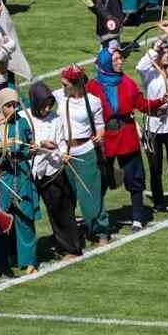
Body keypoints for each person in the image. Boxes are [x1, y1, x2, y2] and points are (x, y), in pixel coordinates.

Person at [87, 42, 160, 231]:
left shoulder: (127, 83)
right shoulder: (93, 87)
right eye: (116, 59)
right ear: (105, 63)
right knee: (101, 179)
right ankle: (96, 219)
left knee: (134, 177)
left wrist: (161, 101)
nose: (121, 62)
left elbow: (142, 105)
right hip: (104, 138)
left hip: (126, 135)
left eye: (121, 58)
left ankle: (137, 217)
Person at [0, 86, 39, 275]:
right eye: (8, 105)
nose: (12, 109)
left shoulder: (21, 123)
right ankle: (0, 261)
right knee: (0, 219)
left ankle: (28, 260)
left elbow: (29, 146)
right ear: (0, 106)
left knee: (25, 217)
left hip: (21, 174)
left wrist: (32, 149)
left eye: (14, 105)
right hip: (1, 176)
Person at [23, 84, 82, 259]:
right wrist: (41, 144)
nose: (47, 109)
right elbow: (24, 142)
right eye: (43, 106)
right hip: (30, 172)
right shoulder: (23, 118)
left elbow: (62, 142)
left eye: (49, 105)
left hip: (53, 170)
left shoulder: (56, 118)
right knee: (25, 213)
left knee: (61, 210)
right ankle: (24, 254)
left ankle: (70, 247)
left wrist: (64, 154)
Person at [135, 24, 168, 213]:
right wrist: (155, 46)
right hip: (153, 124)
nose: (167, 55)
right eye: (163, 52)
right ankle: (158, 201)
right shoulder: (149, 72)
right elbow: (140, 65)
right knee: (155, 166)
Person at [55, 67, 110, 247]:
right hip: (65, 154)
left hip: (86, 151)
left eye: (65, 84)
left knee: (90, 195)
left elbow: (100, 125)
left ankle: (100, 230)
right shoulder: (59, 97)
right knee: (68, 197)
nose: (62, 87)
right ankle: (74, 233)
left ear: (76, 84)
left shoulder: (93, 102)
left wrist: (99, 135)